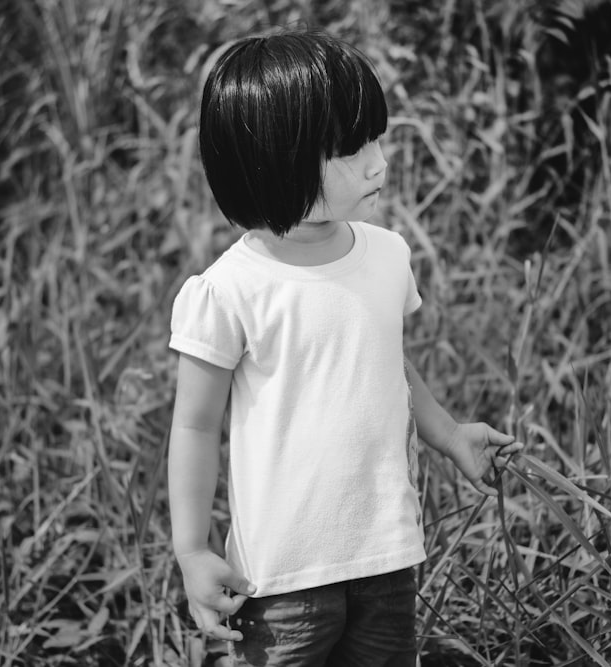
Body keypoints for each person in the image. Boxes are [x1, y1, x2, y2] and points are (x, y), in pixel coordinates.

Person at [167, 28, 523, 666]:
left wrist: (448, 432)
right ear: (276, 160)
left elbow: (385, 359)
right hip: (279, 579)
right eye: (353, 149)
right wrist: (193, 550)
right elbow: (195, 425)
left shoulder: (386, 255)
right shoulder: (231, 289)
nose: (379, 162)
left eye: (377, 139)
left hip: (386, 556)